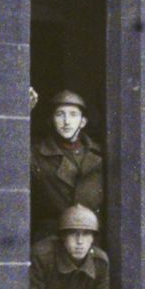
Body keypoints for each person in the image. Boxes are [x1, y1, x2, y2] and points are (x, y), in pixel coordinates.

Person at [30, 88, 105, 247]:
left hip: (88, 241)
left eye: (73, 114)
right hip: (51, 240)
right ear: (52, 120)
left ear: (83, 122)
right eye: (60, 114)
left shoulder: (100, 154)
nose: (66, 121)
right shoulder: (37, 153)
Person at [30, 205, 112, 289]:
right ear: (63, 237)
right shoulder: (41, 257)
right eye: (73, 234)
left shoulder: (99, 261)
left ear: (92, 239)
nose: (80, 242)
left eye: (86, 234)